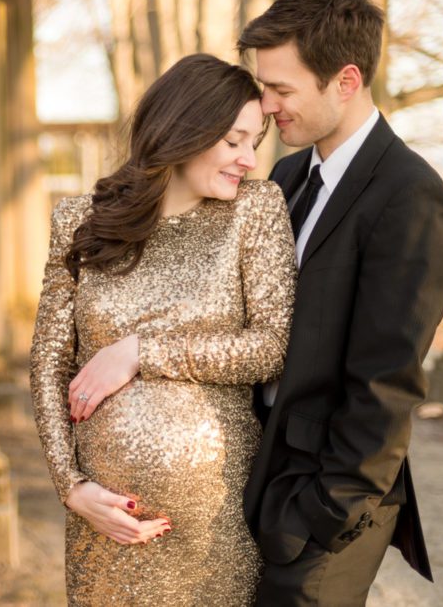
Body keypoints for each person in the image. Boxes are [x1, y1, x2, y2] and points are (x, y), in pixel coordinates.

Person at [28, 53, 297, 606]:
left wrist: (141, 351)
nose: (249, 158)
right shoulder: (78, 221)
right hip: (104, 527)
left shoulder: (256, 210)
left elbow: (272, 347)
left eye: (255, 141)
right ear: (183, 132)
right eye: (233, 141)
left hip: (213, 527)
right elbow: (51, 361)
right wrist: (71, 487)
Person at [236, 0, 443, 605]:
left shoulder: (412, 198)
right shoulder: (284, 174)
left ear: (347, 81)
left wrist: (327, 512)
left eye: (281, 89)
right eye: (264, 86)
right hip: (259, 473)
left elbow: (387, 383)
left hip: (325, 499)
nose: (268, 106)